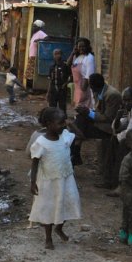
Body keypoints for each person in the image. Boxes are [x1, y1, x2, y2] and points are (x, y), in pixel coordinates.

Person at [29, 107, 82, 250]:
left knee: (66, 203)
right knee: (49, 208)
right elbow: (35, 163)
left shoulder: (65, 135)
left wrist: (71, 124)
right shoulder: (41, 142)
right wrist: (33, 182)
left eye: (64, 122)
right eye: (60, 123)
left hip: (65, 178)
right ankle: (48, 238)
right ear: (48, 123)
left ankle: (59, 227)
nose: (63, 125)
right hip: (48, 181)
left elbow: (80, 136)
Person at [73, 73, 122, 175]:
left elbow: (108, 118)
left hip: (110, 126)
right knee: (79, 119)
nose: (90, 88)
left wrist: (89, 112)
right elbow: (98, 111)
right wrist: (87, 111)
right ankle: (76, 147)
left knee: (77, 128)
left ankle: (76, 150)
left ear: (93, 86)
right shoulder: (99, 91)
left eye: (90, 86)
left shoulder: (112, 95)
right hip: (101, 121)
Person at [67, 38, 95, 109]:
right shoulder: (77, 57)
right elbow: (68, 64)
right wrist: (72, 53)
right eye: (79, 46)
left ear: (87, 47)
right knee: (78, 109)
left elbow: (89, 75)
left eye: (83, 46)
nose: (81, 48)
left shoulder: (89, 58)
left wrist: (83, 90)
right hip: (77, 87)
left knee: (85, 108)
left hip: (85, 86)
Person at [46, 48, 71, 113]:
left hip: (62, 90)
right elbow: (50, 80)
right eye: (55, 54)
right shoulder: (51, 66)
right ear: (53, 55)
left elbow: (70, 77)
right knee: (52, 107)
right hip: (53, 90)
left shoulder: (65, 66)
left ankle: (62, 120)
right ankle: (53, 120)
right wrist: (48, 92)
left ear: (61, 55)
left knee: (62, 107)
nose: (57, 55)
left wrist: (65, 84)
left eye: (59, 53)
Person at [25, 19, 47, 89]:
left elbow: (47, 38)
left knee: (31, 73)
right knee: (29, 73)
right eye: (33, 26)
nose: (33, 28)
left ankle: (32, 88)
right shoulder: (34, 34)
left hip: (35, 56)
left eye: (35, 26)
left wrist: (40, 40)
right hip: (32, 56)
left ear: (39, 27)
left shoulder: (40, 33)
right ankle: (30, 88)